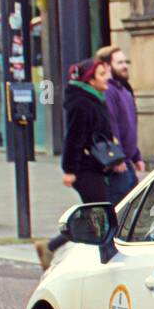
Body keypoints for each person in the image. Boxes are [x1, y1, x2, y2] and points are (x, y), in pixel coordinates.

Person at [62, 59, 126, 205]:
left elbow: (105, 134)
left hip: (99, 164)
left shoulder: (96, 99)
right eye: (102, 74)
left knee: (104, 207)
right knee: (98, 208)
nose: (108, 78)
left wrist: (115, 159)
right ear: (90, 80)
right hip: (86, 168)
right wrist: (69, 170)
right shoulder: (81, 104)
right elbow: (74, 138)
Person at [96, 45, 145, 203]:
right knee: (120, 211)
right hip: (118, 165)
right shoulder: (108, 91)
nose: (125, 66)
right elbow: (112, 127)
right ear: (106, 66)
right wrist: (117, 159)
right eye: (119, 63)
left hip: (127, 162)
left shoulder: (123, 90)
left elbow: (129, 128)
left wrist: (136, 155)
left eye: (125, 62)